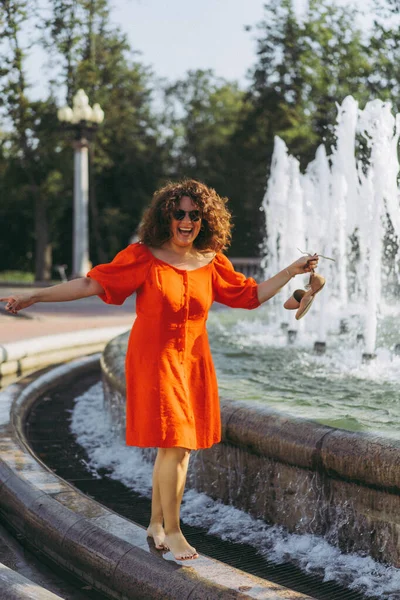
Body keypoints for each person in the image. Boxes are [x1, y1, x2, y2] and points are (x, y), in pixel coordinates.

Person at [1, 179, 319, 561]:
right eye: (179, 213)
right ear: (166, 217)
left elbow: (249, 296)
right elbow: (89, 283)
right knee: (177, 445)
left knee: (172, 448)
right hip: (154, 360)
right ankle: (174, 530)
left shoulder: (212, 260)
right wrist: (35, 295)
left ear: (205, 220)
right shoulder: (143, 256)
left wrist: (292, 271)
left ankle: (154, 524)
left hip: (194, 363)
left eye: (194, 215)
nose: (187, 221)